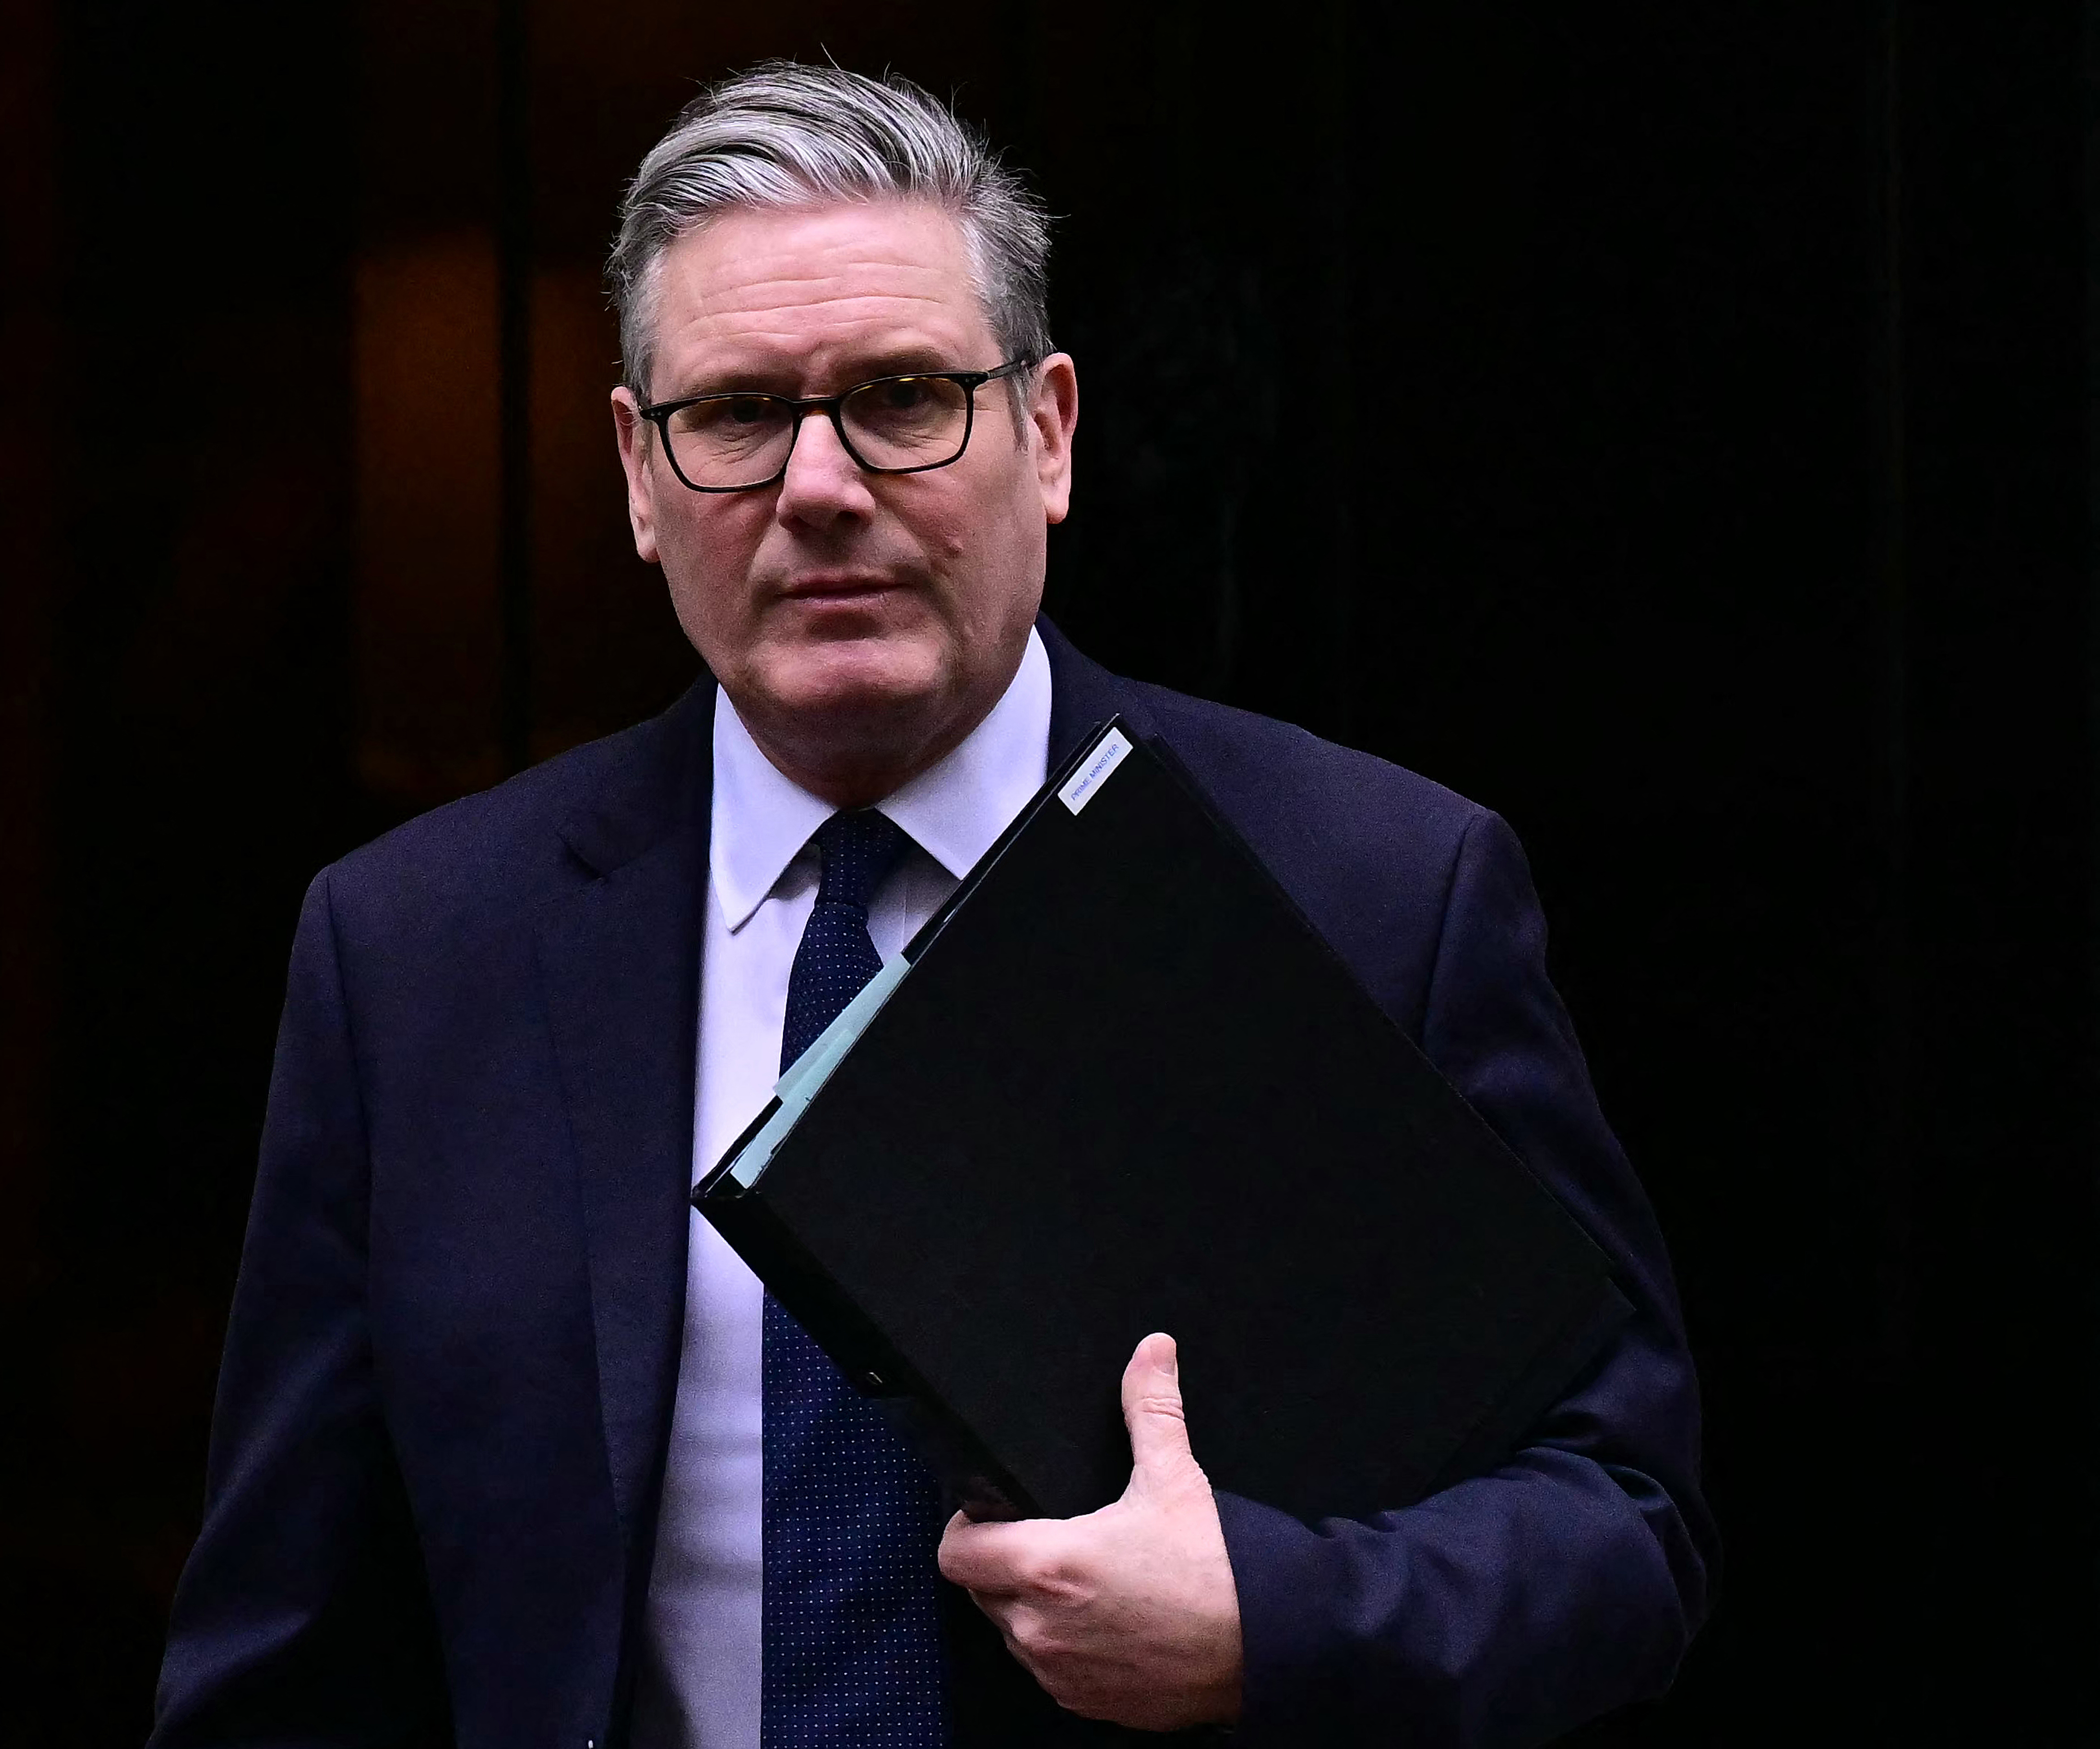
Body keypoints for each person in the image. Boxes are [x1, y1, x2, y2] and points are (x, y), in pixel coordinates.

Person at [150, 61, 1713, 1749]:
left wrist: (1270, 1616)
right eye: (738, 414)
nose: (820, 485)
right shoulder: (417, 956)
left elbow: (1624, 1518)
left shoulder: (1376, 885)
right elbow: (289, 1659)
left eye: (903, 396)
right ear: (633, 470)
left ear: (1047, 433)